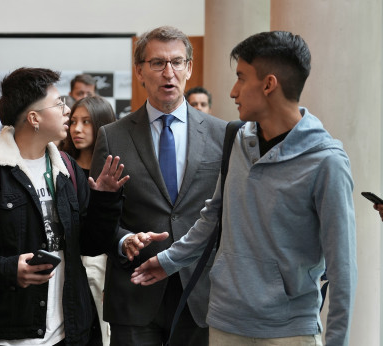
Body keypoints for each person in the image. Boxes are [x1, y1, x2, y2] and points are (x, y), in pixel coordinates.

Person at [132, 31, 357, 346]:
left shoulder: (326, 161)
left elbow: (342, 266)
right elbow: (214, 216)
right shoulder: (239, 141)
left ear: (268, 84)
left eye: (241, 78)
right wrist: (170, 260)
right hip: (225, 321)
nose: (233, 91)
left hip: (289, 330)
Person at [0, 67, 130, 346]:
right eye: (59, 103)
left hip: (70, 331)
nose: (67, 110)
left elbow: (90, 244)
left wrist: (106, 199)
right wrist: (7, 269)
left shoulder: (68, 169)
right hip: (7, 335)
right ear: (34, 118)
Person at [89, 25, 226, 346]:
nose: (169, 72)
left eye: (177, 62)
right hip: (136, 291)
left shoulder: (223, 134)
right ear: (139, 71)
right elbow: (97, 220)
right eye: (157, 63)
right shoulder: (113, 135)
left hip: (200, 291)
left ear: (189, 68)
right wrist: (123, 240)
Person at [63, 95, 116, 345]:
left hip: (106, 267)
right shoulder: (60, 165)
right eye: (73, 121)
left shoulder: (113, 170)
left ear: (102, 124)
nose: (77, 129)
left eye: (86, 122)